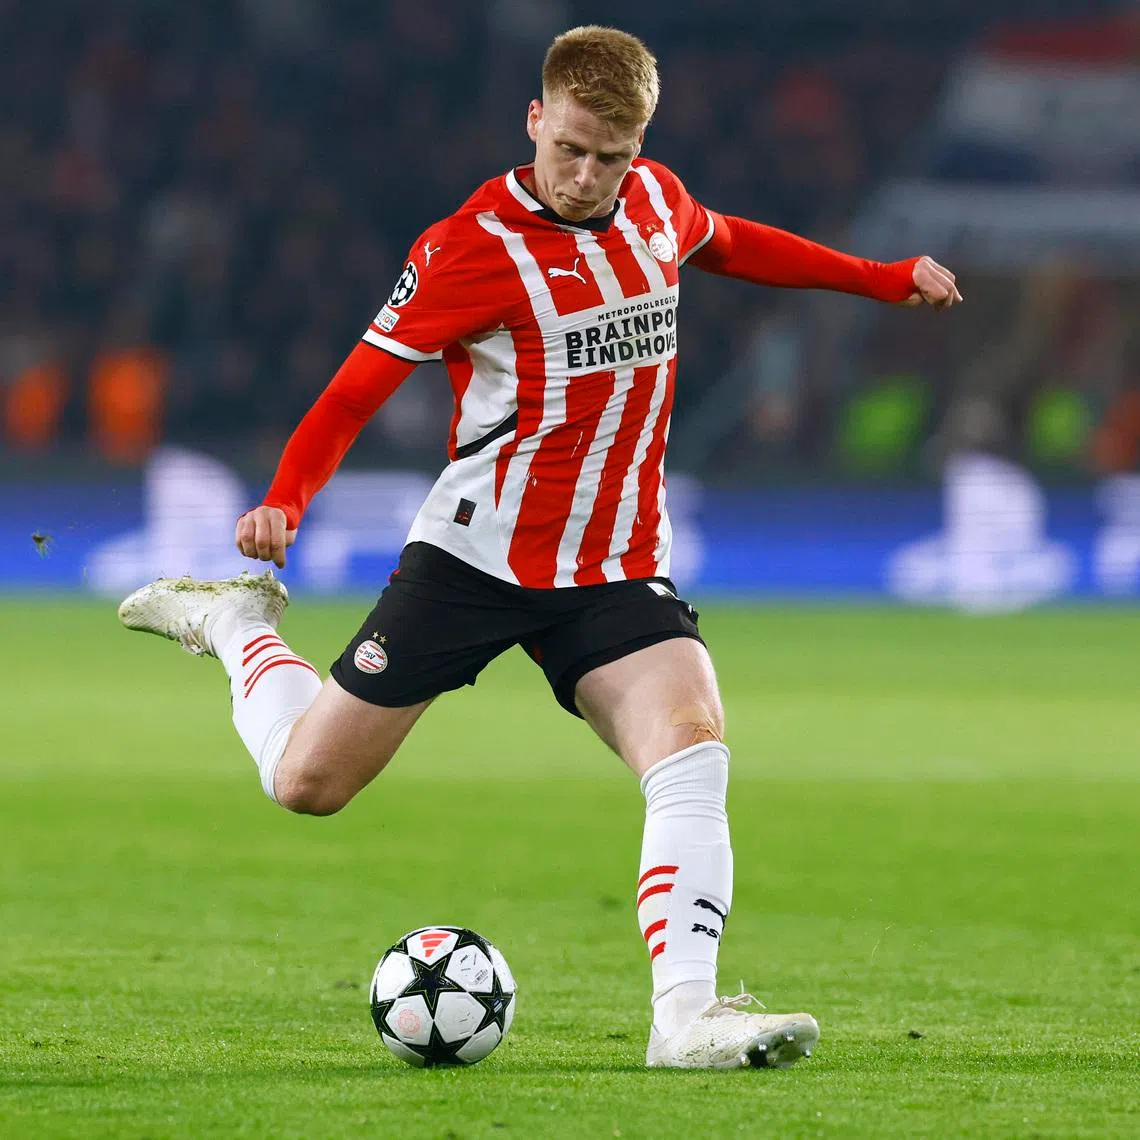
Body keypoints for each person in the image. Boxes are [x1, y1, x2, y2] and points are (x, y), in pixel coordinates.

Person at [120, 25, 961, 1070]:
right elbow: (354, 389)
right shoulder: (469, 249)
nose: (586, 176)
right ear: (535, 120)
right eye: (569, 149)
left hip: (615, 567)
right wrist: (286, 499)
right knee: (307, 784)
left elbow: (735, 243)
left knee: (692, 749)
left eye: (611, 156)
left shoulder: (655, 202)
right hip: (476, 562)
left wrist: (883, 278)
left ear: (638, 146)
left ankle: (685, 1019)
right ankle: (237, 625)